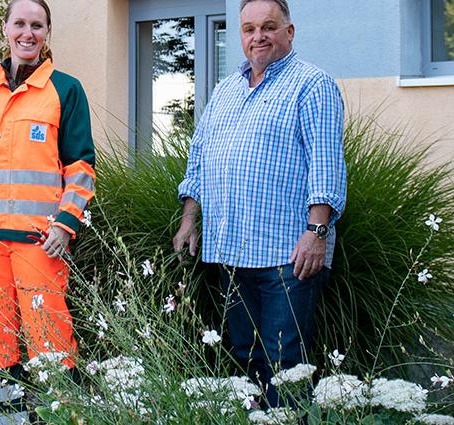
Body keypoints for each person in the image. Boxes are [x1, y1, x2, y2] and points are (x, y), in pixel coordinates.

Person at [172, 0, 346, 408]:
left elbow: (326, 164)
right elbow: (199, 158)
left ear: (290, 31)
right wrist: (189, 220)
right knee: (246, 360)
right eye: (249, 29)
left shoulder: (312, 84)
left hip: (287, 257)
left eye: (269, 26)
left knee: (284, 365)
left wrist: (316, 233)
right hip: (231, 252)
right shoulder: (227, 89)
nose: (258, 36)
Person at [0, 0, 95, 421]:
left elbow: (81, 168)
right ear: (6, 28)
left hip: (40, 239)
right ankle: (6, 418)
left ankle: (59, 414)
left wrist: (66, 225)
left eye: (37, 25)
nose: (27, 33)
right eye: (19, 24)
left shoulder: (65, 90)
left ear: (47, 32)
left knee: (47, 331)